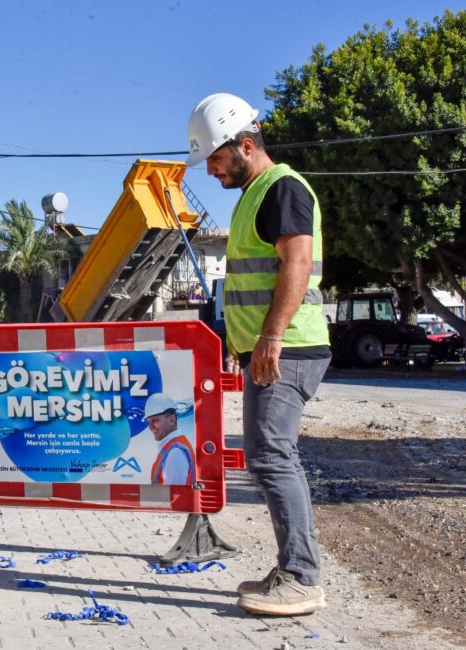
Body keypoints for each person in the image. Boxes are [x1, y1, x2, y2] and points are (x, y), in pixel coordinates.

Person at [186, 93, 331, 616]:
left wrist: (269, 338)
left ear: (246, 145)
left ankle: (301, 576)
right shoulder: (254, 194)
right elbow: (254, 282)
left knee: (272, 456)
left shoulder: (282, 188)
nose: (210, 171)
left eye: (216, 160)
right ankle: (293, 568)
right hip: (269, 348)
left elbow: (296, 264)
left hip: (288, 347)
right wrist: (240, 344)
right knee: (268, 456)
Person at [142, 393, 194, 486]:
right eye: (148, 421)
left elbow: (173, 496)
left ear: (171, 420)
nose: (150, 427)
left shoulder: (175, 453)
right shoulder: (172, 446)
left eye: (155, 420)